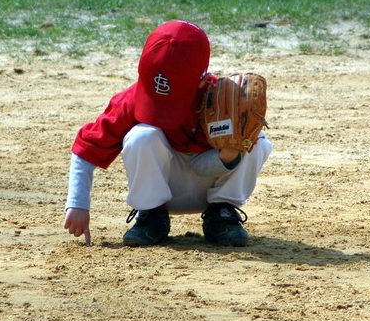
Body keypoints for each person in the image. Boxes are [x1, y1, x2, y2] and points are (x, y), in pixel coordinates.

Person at [63, 20, 271, 247]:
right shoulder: (132, 99)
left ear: (202, 81)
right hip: (159, 187)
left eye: (172, 101)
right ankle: (151, 215)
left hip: (212, 187)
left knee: (256, 139)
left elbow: (200, 167)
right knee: (141, 137)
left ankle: (222, 215)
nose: (161, 107)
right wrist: (77, 204)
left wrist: (230, 154)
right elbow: (86, 149)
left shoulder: (224, 104)